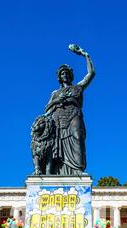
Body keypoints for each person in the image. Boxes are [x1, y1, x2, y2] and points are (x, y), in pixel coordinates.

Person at [44, 45, 95, 175]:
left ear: (70, 75)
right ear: (59, 77)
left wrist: (85, 55)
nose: (64, 75)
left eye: (66, 73)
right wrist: (57, 100)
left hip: (74, 115)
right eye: (62, 73)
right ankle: (59, 172)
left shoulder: (77, 88)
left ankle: (78, 169)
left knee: (77, 138)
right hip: (58, 120)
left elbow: (91, 74)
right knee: (59, 145)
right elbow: (47, 109)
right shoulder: (55, 93)